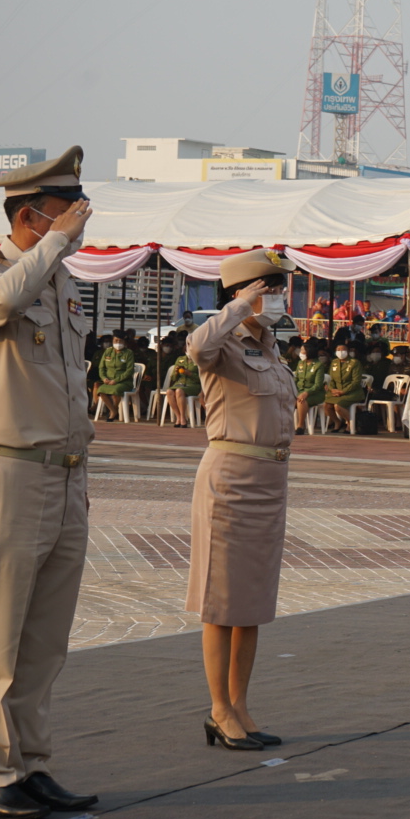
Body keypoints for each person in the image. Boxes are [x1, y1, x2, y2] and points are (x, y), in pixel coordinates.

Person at [0, 146, 98, 819]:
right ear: (31, 215)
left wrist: (58, 250)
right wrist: (56, 246)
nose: (79, 221)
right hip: (10, 471)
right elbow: (3, 301)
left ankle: (31, 763)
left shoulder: (63, 283)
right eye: (67, 211)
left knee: (45, 637)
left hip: (66, 475)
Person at [187, 250, 298, 751]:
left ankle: (241, 704)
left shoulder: (272, 348)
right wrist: (238, 308)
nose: (276, 295)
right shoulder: (223, 341)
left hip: (270, 478)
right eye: (267, 287)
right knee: (221, 601)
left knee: (251, 601)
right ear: (243, 291)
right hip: (230, 480)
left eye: (278, 287)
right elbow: (195, 347)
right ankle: (218, 709)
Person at [321, 343, 365, 432]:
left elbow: (356, 382)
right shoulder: (334, 362)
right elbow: (331, 378)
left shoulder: (354, 363)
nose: (340, 352)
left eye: (343, 350)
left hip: (352, 393)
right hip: (336, 392)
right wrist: (332, 390)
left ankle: (351, 423)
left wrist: (343, 391)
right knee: (326, 405)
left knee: (338, 406)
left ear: (348, 351)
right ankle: (337, 422)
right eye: (338, 350)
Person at [94, 333, 135, 421]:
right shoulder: (108, 351)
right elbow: (101, 367)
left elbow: (129, 371)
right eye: (115, 341)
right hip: (108, 380)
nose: (118, 343)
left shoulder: (128, 353)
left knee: (116, 390)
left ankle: (113, 412)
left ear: (124, 342)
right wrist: (104, 378)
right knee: (101, 390)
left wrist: (116, 380)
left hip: (124, 382)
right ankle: (113, 410)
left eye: (120, 341)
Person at [291, 342, 326, 433]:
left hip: (315, 393)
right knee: (286, 399)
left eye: (303, 350)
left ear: (309, 352)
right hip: (300, 391)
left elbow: (318, 385)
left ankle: (300, 426)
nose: (301, 352)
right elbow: (297, 379)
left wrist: (306, 393)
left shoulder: (318, 365)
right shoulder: (300, 363)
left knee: (301, 401)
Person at [165, 346, 200, 428]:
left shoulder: (199, 360)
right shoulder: (180, 359)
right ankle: (178, 416)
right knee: (169, 392)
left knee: (179, 391)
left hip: (193, 385)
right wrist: (176, 372)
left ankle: (183, 418)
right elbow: (173, 377)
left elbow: (201, 378)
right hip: (180, 383)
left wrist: (189, 374)